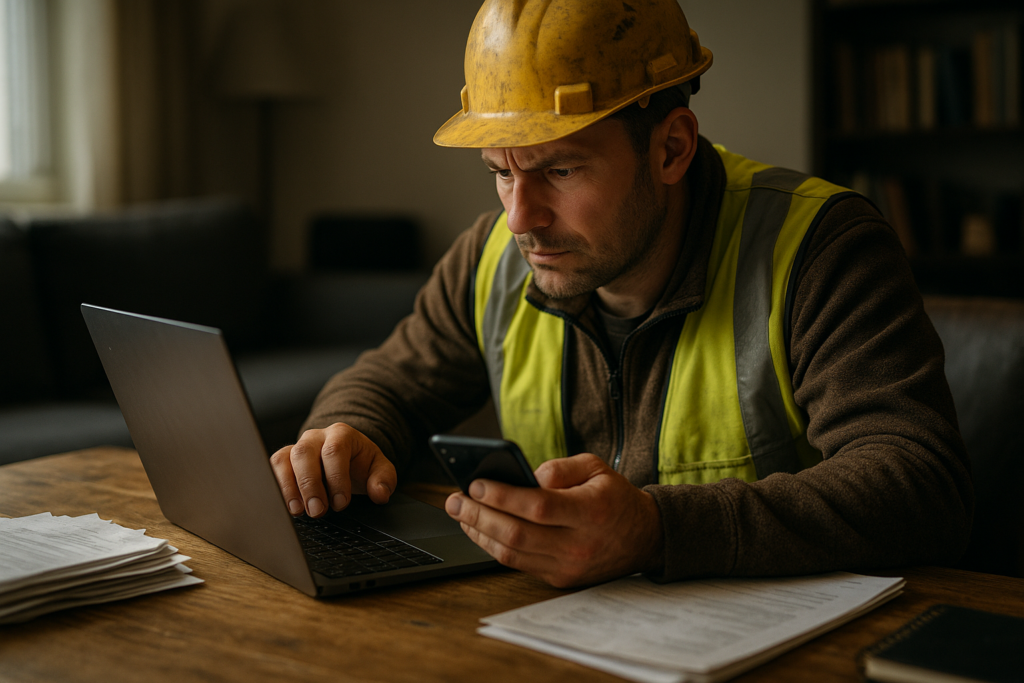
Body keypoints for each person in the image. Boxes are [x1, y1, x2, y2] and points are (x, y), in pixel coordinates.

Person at [271, 0, 973, 588]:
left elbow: (918, 482)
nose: (521, 218)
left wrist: (659, 529)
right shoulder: (491, 255)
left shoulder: (821, 246)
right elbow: (388, 380)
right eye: (501, 173)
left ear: (671, 148)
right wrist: (344, 433)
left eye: (561, 169)